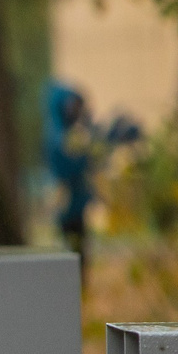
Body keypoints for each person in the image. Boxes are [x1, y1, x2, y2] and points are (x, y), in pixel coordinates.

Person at [42, 80, 138, 261]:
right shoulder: (58, 136)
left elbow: (90, 158)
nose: (76, 112)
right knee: (72, 255)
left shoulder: (72, 133)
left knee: (80, 254)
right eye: (73, 107)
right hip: (67, 209)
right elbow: (75, 164)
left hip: (76, 207)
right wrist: (105, 142)